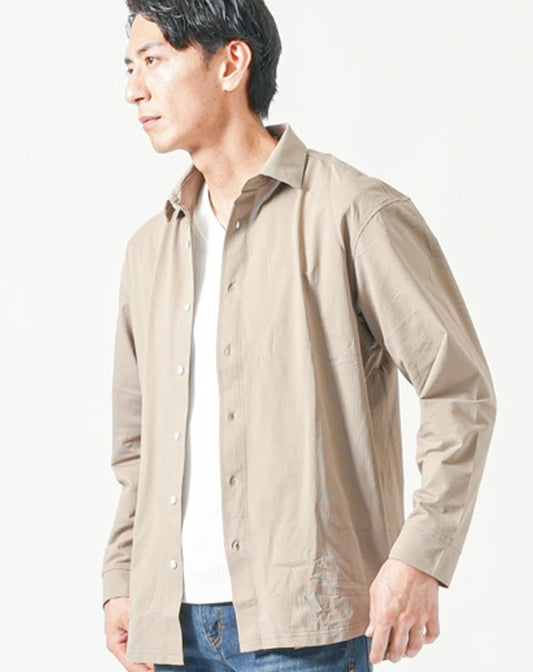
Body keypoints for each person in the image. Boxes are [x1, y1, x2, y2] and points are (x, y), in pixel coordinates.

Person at [101, 1, 497, 671]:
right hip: (169, 626)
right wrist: (121, 577)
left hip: (305, 627)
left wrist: (421, 556)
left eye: (154, 60)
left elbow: (458, 390)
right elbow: (137, 445)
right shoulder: (150, 250)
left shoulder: (352, 212)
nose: (133, 89)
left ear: (231, 63)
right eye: (129, 67)